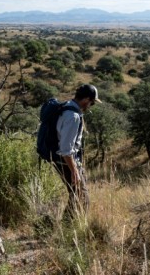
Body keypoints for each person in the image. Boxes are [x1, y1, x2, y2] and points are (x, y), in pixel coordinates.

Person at [54, 84, 101, 220]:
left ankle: (66, 227)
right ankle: (69, 230)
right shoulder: (73, 117)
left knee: (76, 196)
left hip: (64, 160)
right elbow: (65, 150)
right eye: (92, 103)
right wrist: (74, 171)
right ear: (86, 99)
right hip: (66, 161)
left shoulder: (66, 106)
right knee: (82, 199)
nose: (91, 106)